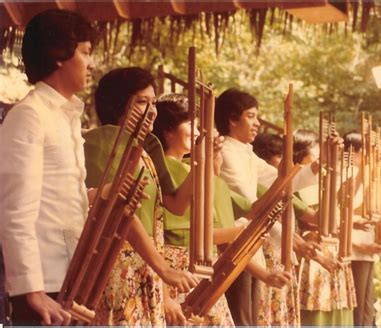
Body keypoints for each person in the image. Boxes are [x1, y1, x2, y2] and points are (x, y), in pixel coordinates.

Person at [153, 93, 292, 326]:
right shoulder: (167, 169)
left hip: (207, 272)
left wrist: (264, 274)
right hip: (180, 272)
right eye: (191, 124)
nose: (198, 132)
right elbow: (192, 235)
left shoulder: (194, 169)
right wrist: (243, 230)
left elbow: (218, 239)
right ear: (168, 130)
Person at [0, 9, 96, 325]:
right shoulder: (30, 115)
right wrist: (32, 289)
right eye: (85, 52)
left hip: (72, 279)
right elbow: (14, 210)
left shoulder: (65, 115)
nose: (91, 63)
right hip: (45, 287)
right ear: (58, 57)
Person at [83, 67, 198, 325]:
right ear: (117, 105)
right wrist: (164, 268)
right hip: (120, 265)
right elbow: (118, 208)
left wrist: (201, 162)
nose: (153, 111)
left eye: (154, 102)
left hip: (146, 265)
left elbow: (176, 205)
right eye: (142, 102)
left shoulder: (145, 146)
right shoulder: (105, 140)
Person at [215, 88, 323, 326]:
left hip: (252, 242)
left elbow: (284, 181)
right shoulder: (225, 151)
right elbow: (250, 204)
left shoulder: (245, 152)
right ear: (232, 120)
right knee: (242, 317)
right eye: (251, 116)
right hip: (234, 243)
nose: (257, 123)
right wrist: (285, 175)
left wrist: (314, 168)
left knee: (251, 318)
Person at [292, 129, 357, 326]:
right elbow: (317, 219)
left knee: (337, 310)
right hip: (312, 252)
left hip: (331, 249)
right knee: (317, 314)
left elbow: (333, 219)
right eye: (315, 156)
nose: (318, 162)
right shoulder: (298, 182)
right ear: (301, 155)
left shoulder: (321, 181)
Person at [343, 132, 381, 326]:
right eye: (369, 152)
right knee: (358, 307)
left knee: (368, 305)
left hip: (367, 246)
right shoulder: (345, 173)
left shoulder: (368, 175)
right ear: (357, 152)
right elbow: (342, 210)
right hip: (354, 247)